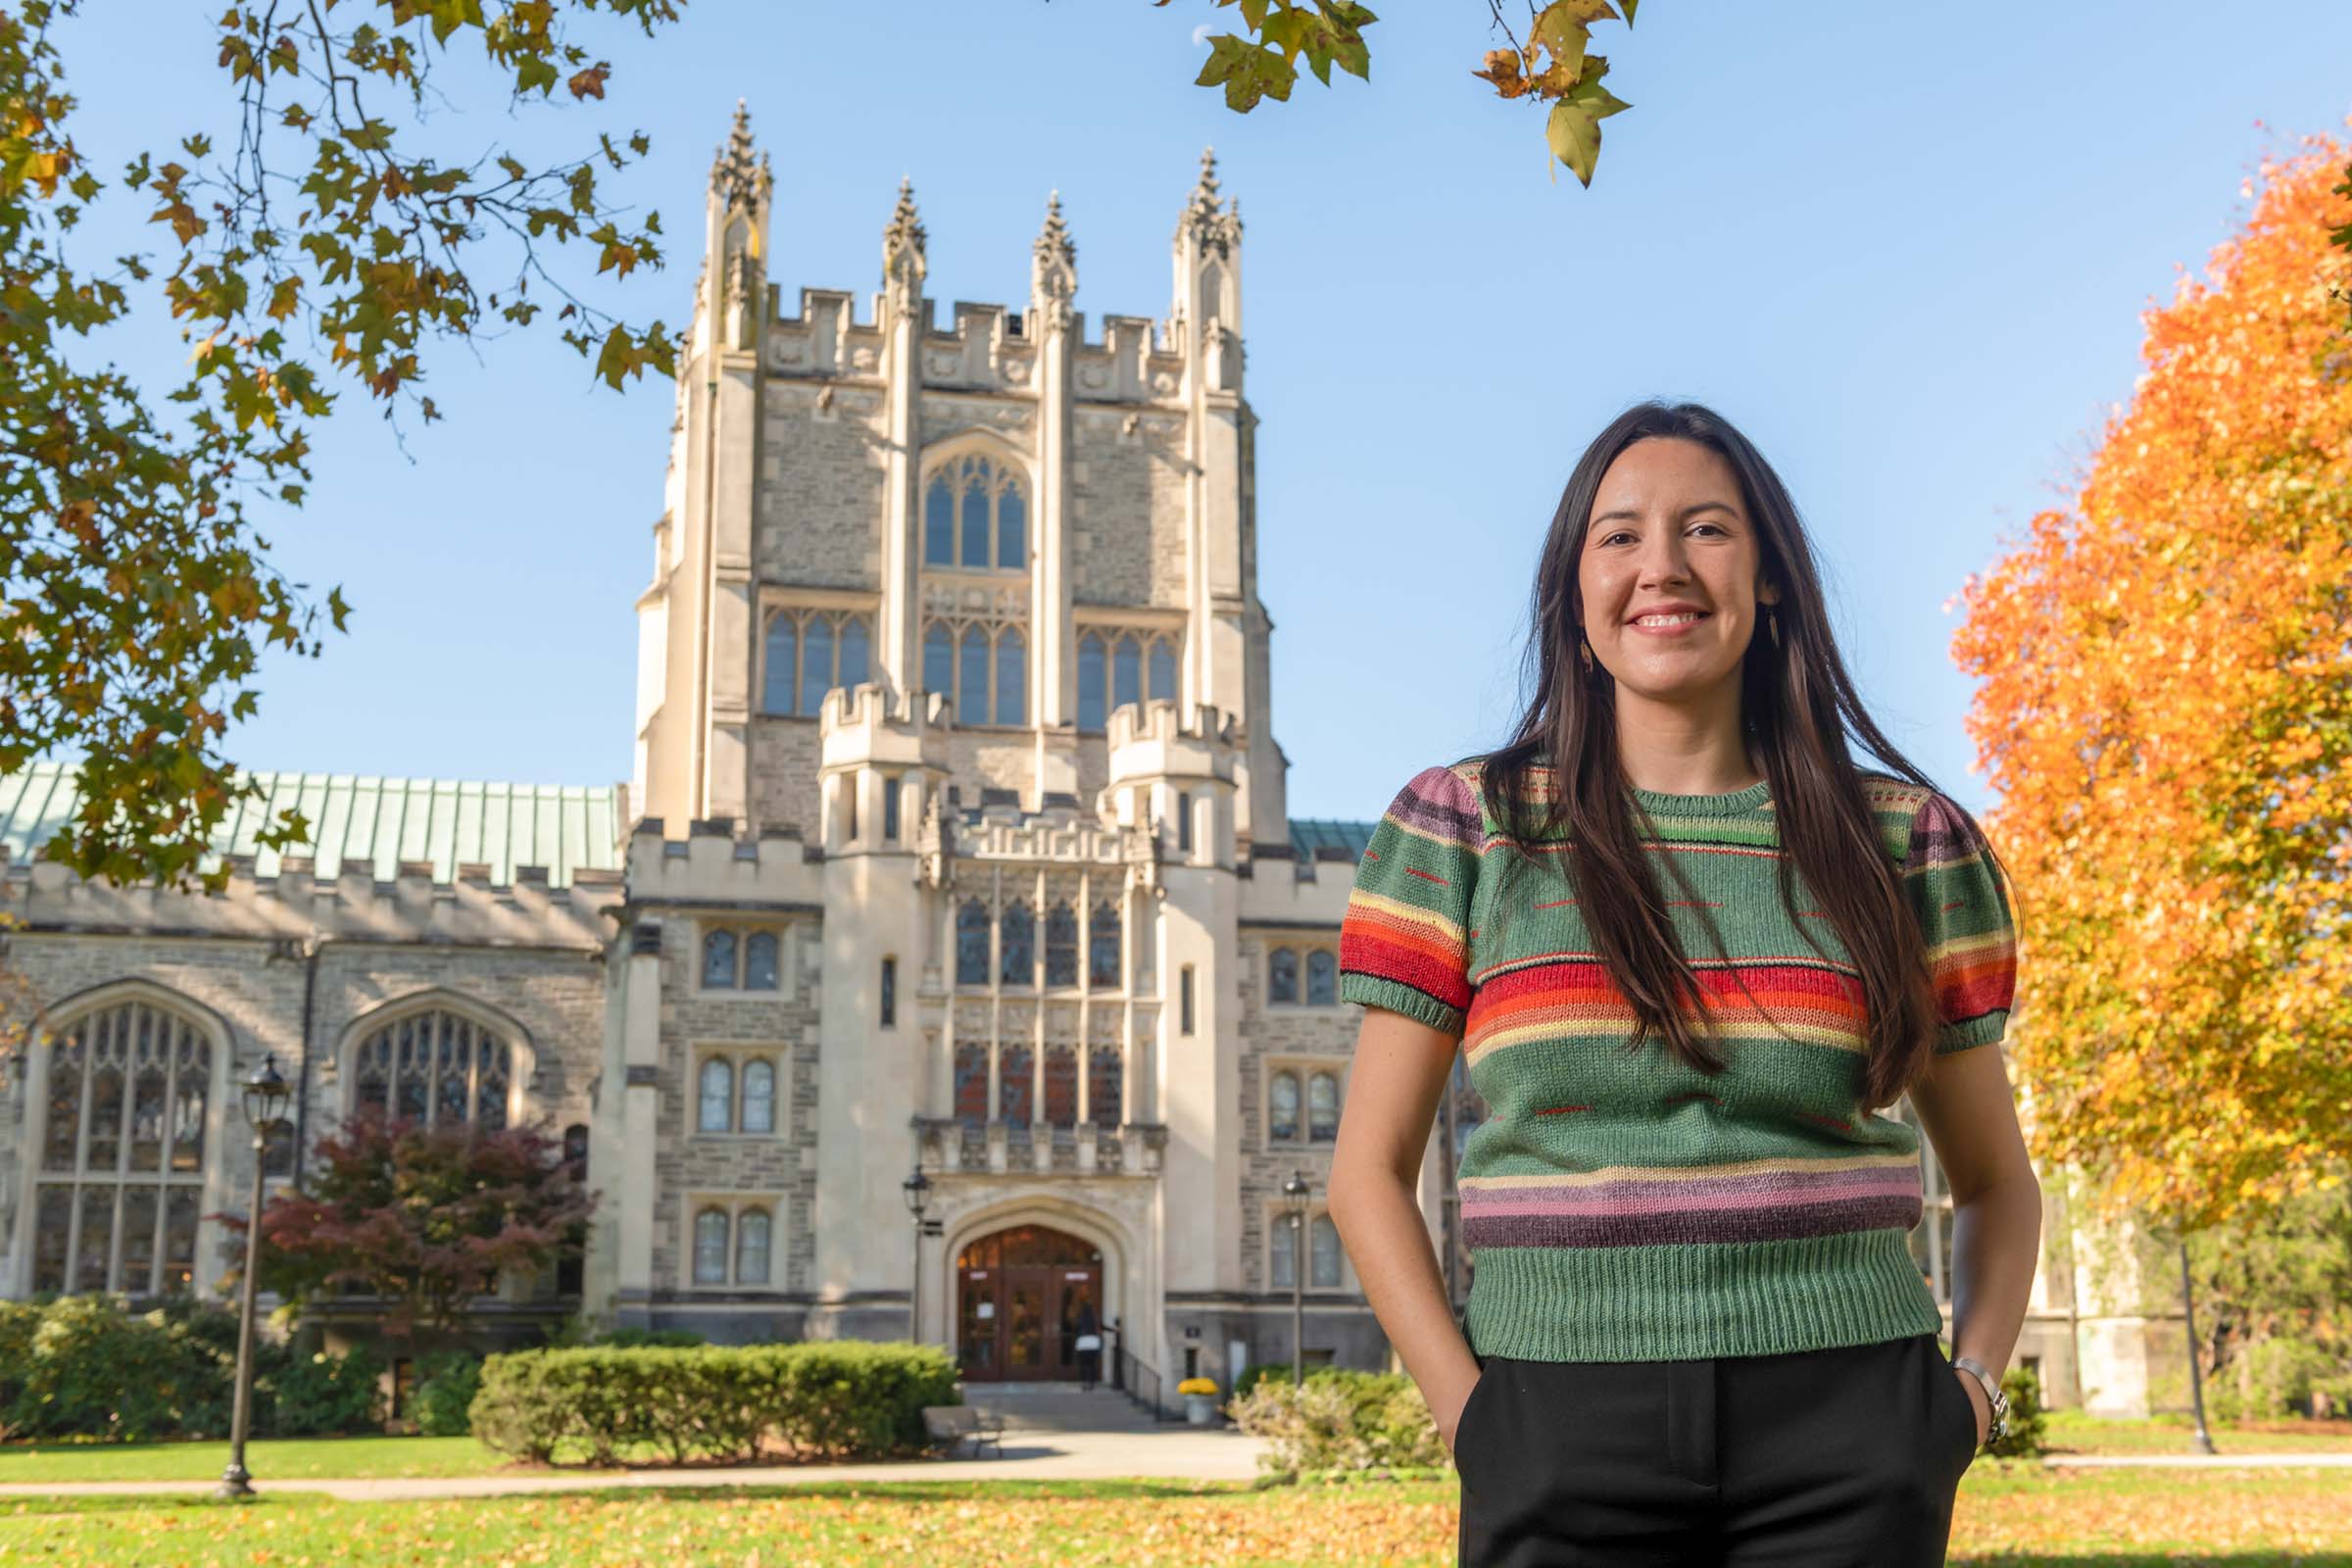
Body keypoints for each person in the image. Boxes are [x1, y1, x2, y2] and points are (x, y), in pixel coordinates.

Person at [1325, 400, 2035, 1567]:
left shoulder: (1907, 845)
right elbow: (1367, 1172)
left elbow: (1998, 1183)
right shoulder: (1466, 829)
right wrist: (1476, 1420)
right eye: (1619, 536)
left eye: (1707, 530)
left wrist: (1964, 1404)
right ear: (1574, 590)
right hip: (1555, 1420)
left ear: (1769, 583)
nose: (1662, 567)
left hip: (1853, 1422)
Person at [1072, 1296, 1102, 1391]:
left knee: (1082, 1366)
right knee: (1092, 1365)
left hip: (1082, 1344)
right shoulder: (1094, 1318)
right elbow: (1101, 1327)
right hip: (1093, 1344)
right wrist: (1113, 1330)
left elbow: (1076, 1330)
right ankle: (1091, 1384)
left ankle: (1084, 1383)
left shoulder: (1080, 1318)